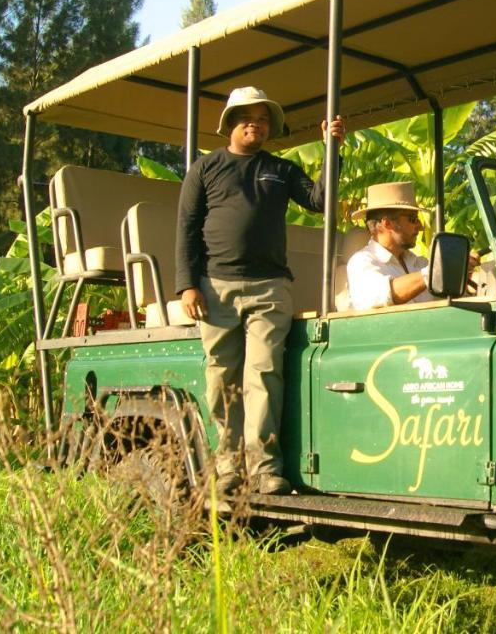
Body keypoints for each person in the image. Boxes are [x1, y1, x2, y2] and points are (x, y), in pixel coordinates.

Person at [176, 85, 345, 496]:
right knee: (221, 380)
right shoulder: (205, 168)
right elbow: (186, 227)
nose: (256, 123)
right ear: (231, 123)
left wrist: (331, 149)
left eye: (264, 118)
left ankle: (266, 467)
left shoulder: (280, 170)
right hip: (215, 287)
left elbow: (320, 200)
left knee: (264, 375)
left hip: (270, 287)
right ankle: (228, 465)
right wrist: (186, 285)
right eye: (247, 116)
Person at [344, 181, 437, 310]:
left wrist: (466, 271)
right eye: (413, 219)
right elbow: (387, 294)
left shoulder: (419, 263)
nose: (420, 227)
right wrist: (433, 273)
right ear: (387, 224)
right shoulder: (361, 263)